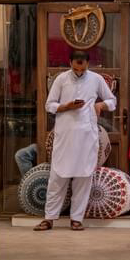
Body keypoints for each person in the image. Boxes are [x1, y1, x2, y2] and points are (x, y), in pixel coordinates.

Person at [34, 49, 117, 231]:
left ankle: (76, 219)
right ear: (70, 62)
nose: (80, 70)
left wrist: (101, 104)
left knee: (83, 177)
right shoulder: (61, 79)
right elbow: (49, 105)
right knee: (57, 178)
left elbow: (112, 101)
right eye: (76, 66)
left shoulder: (96, 79)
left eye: (83, 66)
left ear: (87, 63)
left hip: (87, 136)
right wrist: (66, 106)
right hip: (65, 135)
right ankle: (49, 218)